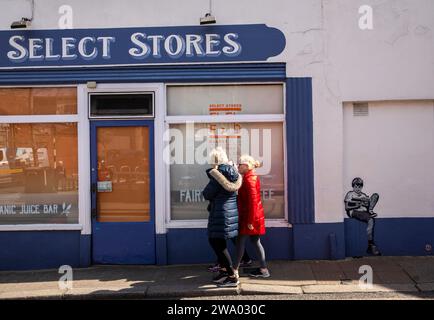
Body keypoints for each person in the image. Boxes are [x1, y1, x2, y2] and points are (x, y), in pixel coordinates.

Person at [202, 147, 242, 287]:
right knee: (220, 242)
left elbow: (207, 194)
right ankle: (225, 271)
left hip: (220, 213)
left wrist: (212, 174)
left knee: (216, 243)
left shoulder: (218, 175)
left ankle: (232, 276)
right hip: (230, 213)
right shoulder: (234, 173)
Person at [233, 155, 270, 279]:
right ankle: (264, 270)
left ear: (246, 166)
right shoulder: (250, 177)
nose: (238, 166)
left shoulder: (249, 180)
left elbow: (253, 202)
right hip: (253, 216)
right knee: (255, 241)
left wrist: (250, 221)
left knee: (240, 243)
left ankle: (234, 270)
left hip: (249, 217)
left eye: (240, 164)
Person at [344, 177, 381, 256]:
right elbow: (347, 207)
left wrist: (366, 203)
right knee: (370, 220)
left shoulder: (363, 195)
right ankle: (371, 245)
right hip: (355, 211)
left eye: (359, 187)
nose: (357, 188)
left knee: (375, 196)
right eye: (356, 186)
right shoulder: (350, 194)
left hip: (364, 211)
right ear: (353, 187)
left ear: (361, 187)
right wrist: (358, 205)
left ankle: (370, 210)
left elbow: (366, 204)